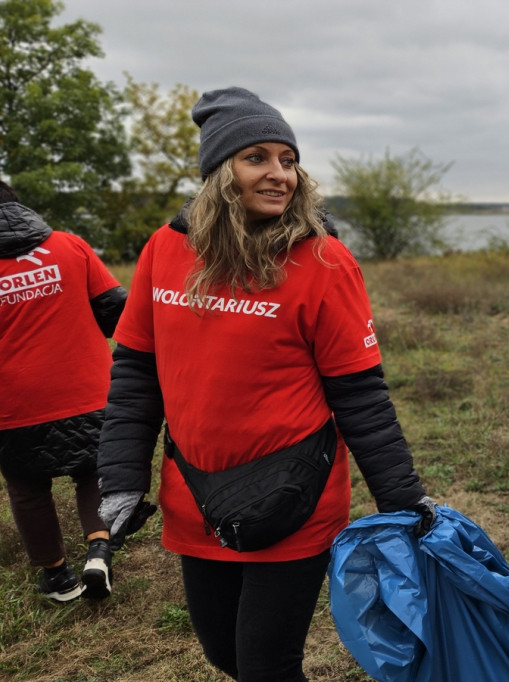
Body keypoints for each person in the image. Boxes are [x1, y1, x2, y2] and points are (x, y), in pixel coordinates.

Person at [96, 87, 436, 681]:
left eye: (287, 159)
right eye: (257, 158)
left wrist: (403, 499)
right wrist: (122, 478)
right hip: (196, 494)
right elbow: (135, 373)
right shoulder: (165, 250)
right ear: (218, 172)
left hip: (293, 497)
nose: (279, 174)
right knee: (222, 653)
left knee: (265, 665)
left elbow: (359, 394)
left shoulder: (324, 262)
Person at [0, 175, 125, 601]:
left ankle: (57, 576)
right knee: (92, 473)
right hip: (89, 388)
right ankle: (98, 551)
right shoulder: (69, 245)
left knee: (28, 488)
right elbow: (114, 310)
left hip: (13, 403)